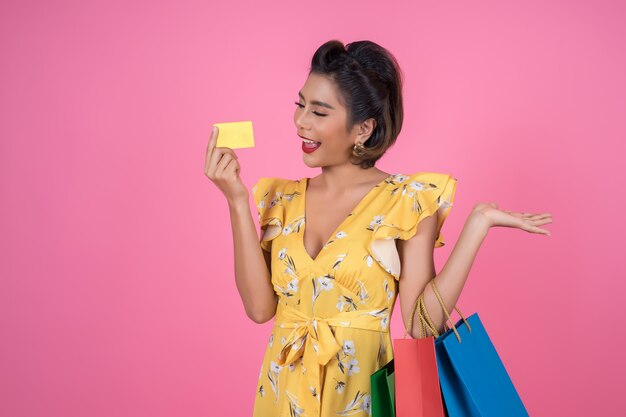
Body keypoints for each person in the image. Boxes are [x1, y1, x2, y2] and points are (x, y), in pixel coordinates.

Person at [204, 39, 552, 417]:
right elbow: (259, 309)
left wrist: (476, 227)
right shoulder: (280, 200)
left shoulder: (405, 201)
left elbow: (420, 326)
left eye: (319, 112)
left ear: (363, 129)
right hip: (281, 396)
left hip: (362, 400)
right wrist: (236, 201)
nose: (300, 121)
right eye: (300, 105)